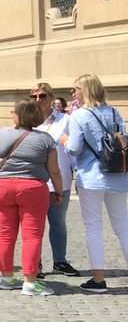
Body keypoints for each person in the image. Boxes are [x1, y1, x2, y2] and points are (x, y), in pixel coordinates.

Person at [0, 99, 65, 296]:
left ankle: (7, 278)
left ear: (19, 115)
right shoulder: (45, 139)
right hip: (33, 188)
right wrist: (59, 191)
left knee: (5, 233)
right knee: (32, 235)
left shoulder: (1, 134)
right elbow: (54, 171)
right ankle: (29, 281)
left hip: (3, 187)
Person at [64, 73, 128, 293]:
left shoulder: (79, 115)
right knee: (123, 227)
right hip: (118, 175)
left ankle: (98, 280)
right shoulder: (115, 112)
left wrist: (63, 141)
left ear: (85, 90)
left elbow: (74, 148)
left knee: (93, 228)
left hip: (91, 176)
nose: (72, 93)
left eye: (75, 89)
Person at [30, 82, 79, 277]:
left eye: (42, 96)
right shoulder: (28, 121)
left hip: (60, 180)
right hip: (35, 181)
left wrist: (77, 176)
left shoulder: (65, 121)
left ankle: (60, 261)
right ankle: (36, 262)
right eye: (34, 97)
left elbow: (73, 151)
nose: (38, 100)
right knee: (35, 225)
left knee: (58, 222)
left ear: (51, 98)